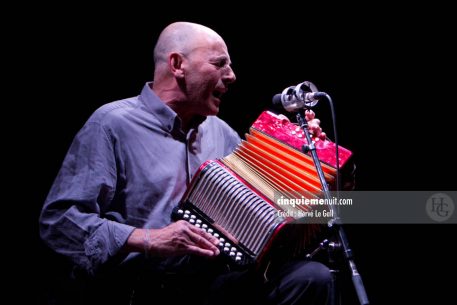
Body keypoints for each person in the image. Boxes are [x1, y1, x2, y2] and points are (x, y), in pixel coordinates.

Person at [39, 21, 332, 305]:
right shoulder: (112, 123)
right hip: (134, 288)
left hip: (208, 286)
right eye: (220, 64)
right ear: (178, 64)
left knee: (311, 277)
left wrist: (307, 157)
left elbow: (275, 209)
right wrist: (148, 239)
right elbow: (59, 221)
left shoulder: (223, 134)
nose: (231, 76)